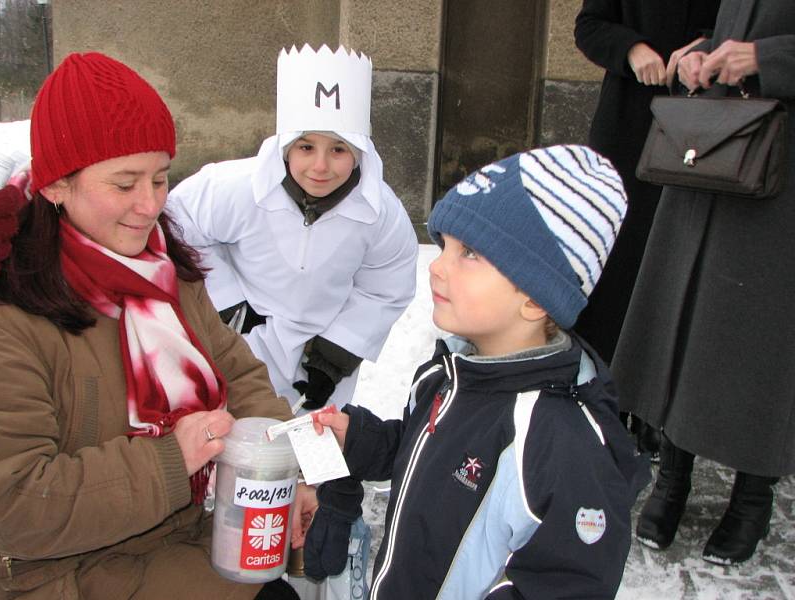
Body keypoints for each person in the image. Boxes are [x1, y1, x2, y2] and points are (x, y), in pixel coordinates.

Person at [0, 52, 300, 599]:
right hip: (74, 571)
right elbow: (13, 504)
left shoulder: (166, 272)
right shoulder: (11, 317)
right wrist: (171, 459)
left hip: (186, 533)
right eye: (124, 183)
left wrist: (286, 468)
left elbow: (242, 375)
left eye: (160, 178)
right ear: (56, 186)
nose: (149, 204)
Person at [308, 146, 648, 599]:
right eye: (444, 245)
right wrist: (360, 439)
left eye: (467, 252)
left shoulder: (563, 446)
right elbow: (423, 455)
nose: (436, 265)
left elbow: (565, 586)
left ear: (535, 297)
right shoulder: (448, 374)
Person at [612, 0, 795, 565]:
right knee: (682, 311)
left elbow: (762, 41)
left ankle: (752, 494)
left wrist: (767, 57)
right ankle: (673, 473)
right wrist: (699, 55)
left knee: (766, 327)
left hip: (782, 167)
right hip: (713, 147)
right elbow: (734, 28)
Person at [165, 44, 418, 413]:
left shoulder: (380, 213)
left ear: (360, 152)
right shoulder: (234, 186)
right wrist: (228, 305)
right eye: (306, 146)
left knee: (305, 451)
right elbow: (176, 225)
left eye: (338, 150)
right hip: (240, 340)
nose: (320, 166)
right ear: (286, 147)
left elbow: (385, 288)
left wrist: (334, 359)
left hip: (320, 355)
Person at [574, 0, 720, 456]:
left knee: (676, 265)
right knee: (616, 268)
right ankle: (607, 400)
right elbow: (590, 25)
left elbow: (745, 30)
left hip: (704, 124)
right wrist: (632, 48)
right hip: (628, 125)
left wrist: (706, 48)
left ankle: (655, 407)